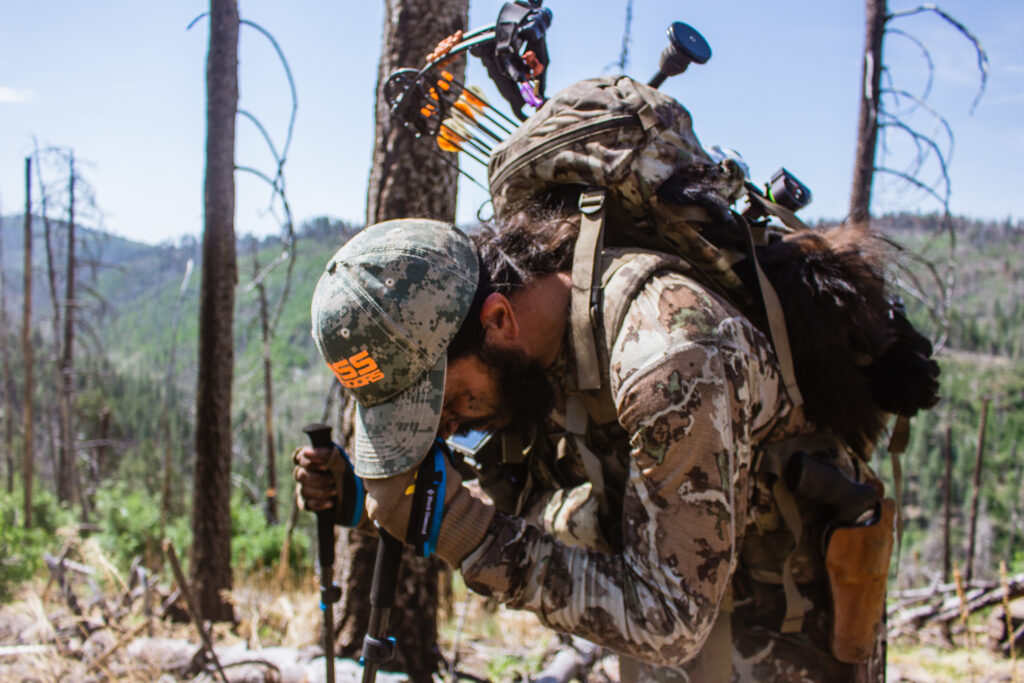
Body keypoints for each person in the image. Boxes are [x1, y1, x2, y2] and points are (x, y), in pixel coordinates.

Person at [295, 203, 938, 681]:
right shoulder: (537, 350)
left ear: (496, 319)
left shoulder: (670, 357)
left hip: (788, 643)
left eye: (448, 402)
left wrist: (461, 532)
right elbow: (560, 505)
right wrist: (379, 503)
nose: (450, 428)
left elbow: (669, 620)